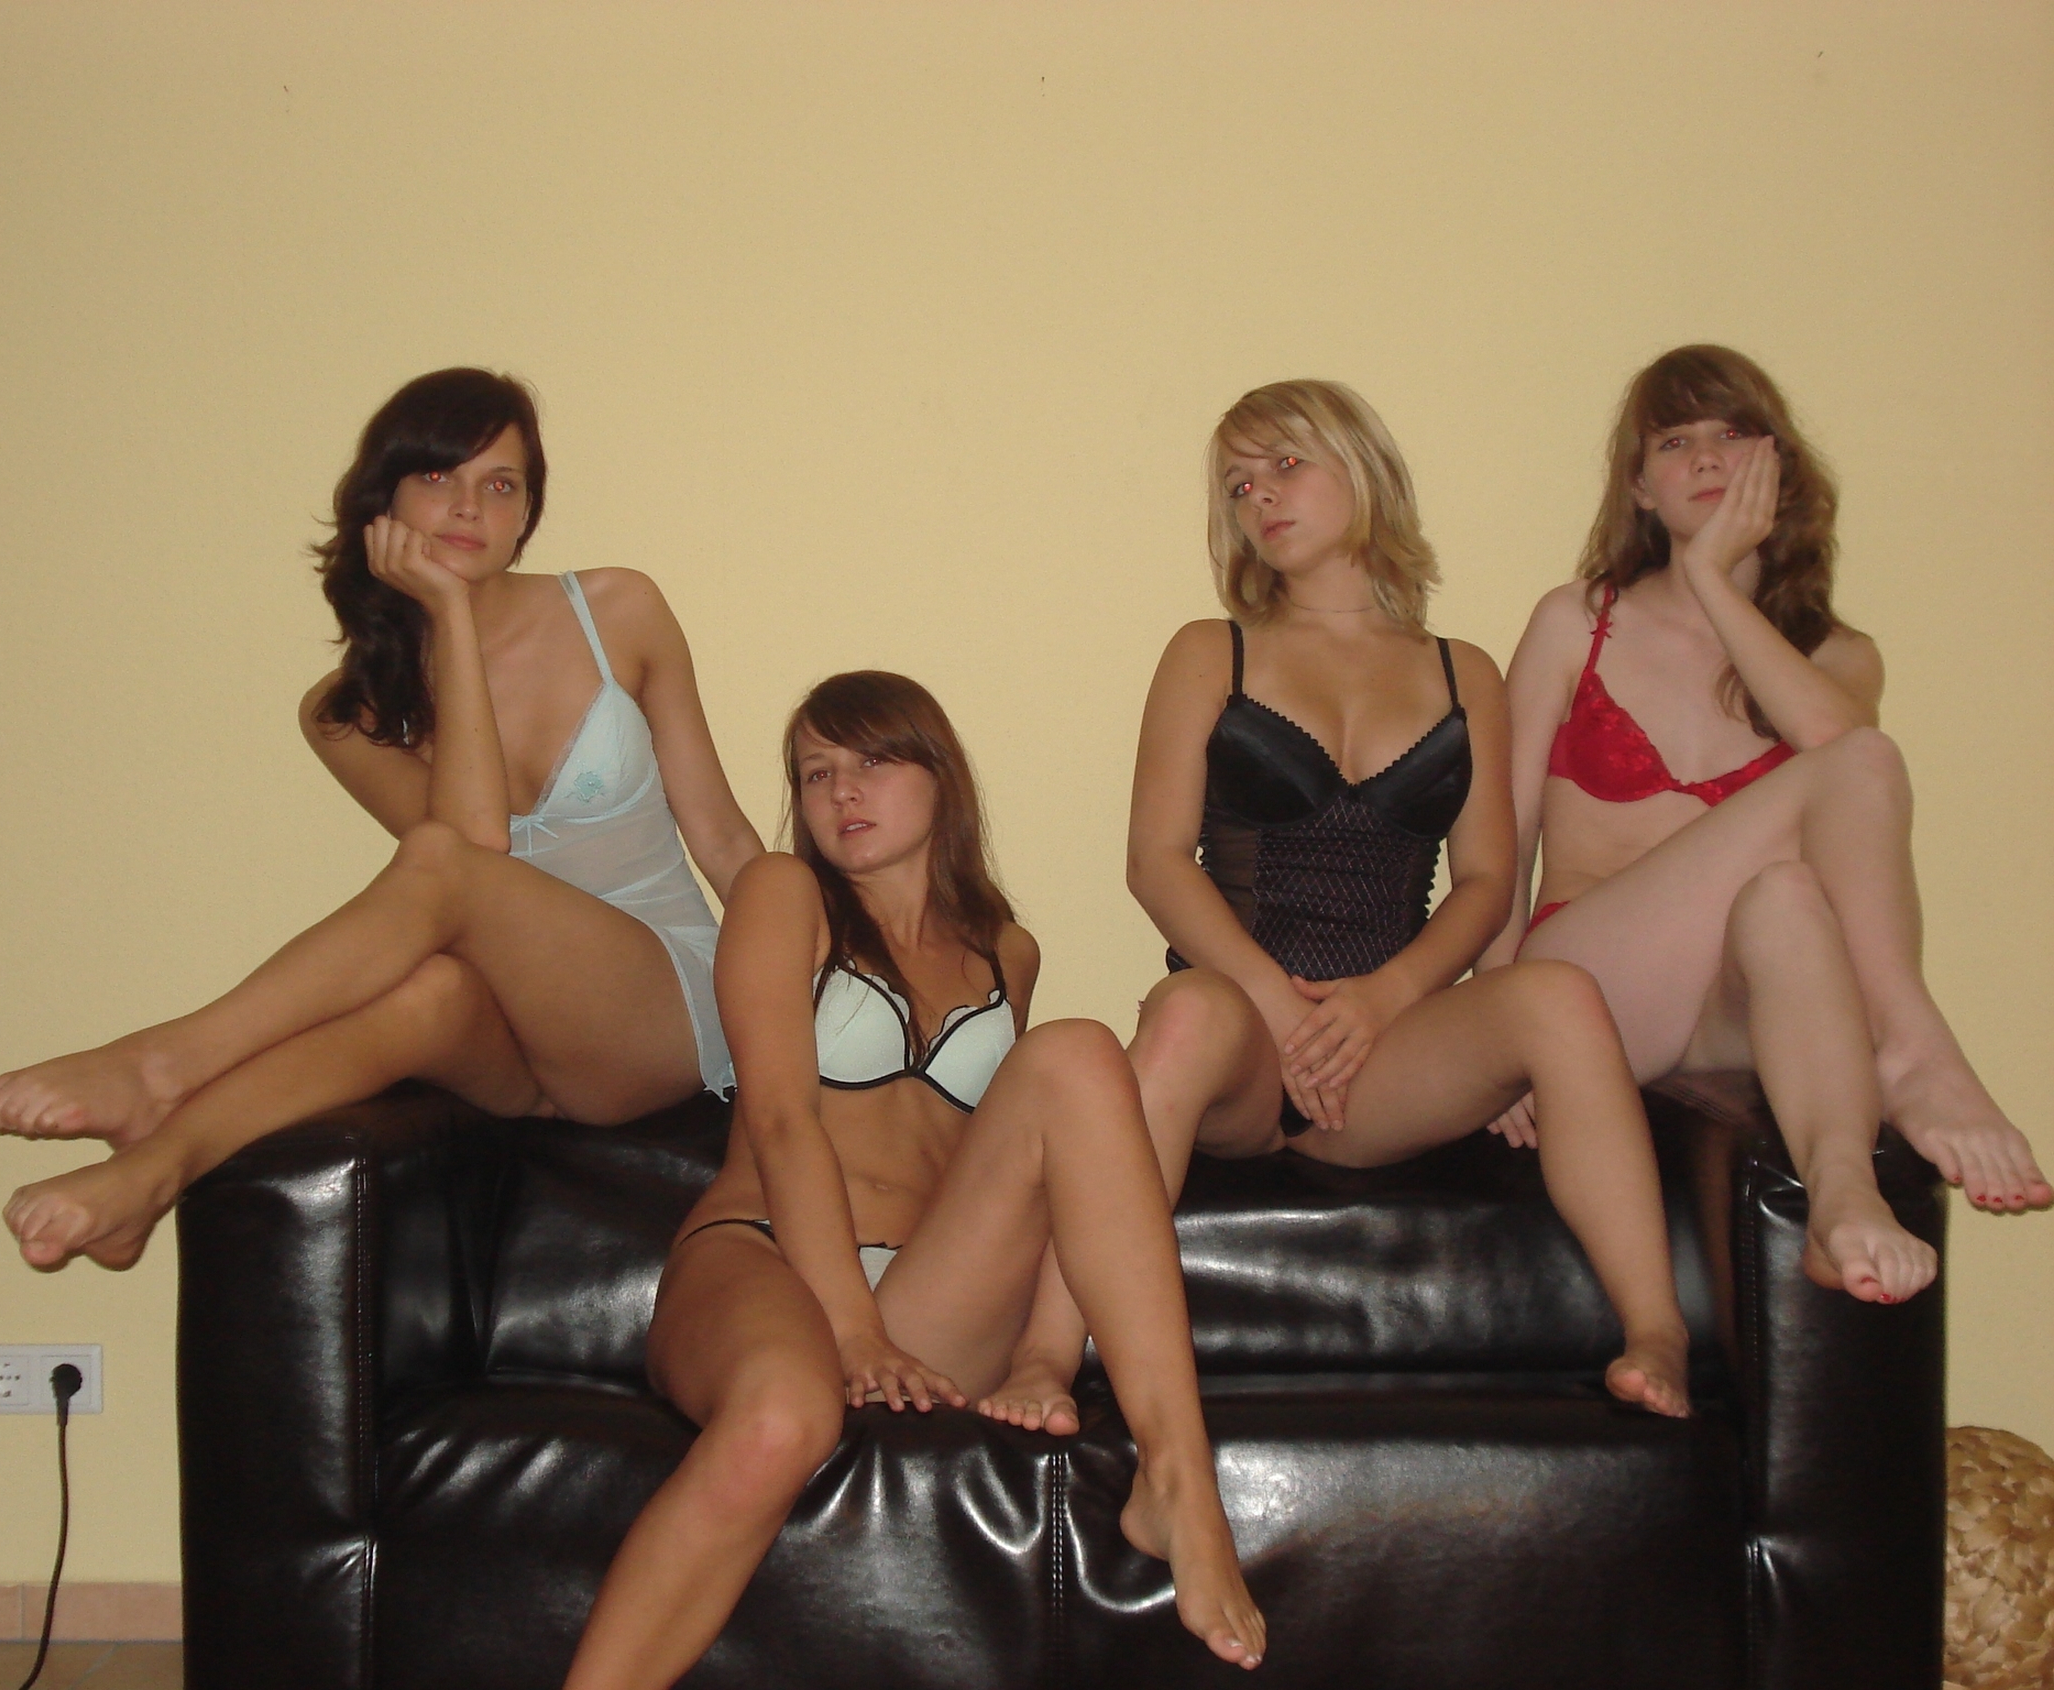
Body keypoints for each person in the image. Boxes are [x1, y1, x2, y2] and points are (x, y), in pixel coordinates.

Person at [976, 379, 1694, 1439]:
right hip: (1239, 1031)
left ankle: (1657, 1336)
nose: (1259, 497)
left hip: (1383, 1047)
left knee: (1560, 998)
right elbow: (1156, 862)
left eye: (1284, 465)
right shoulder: (1208, 651)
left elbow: (1486, 879)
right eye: (1237, 485)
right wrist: (1274, 1001)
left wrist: (1387, 999)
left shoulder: (1465, 673)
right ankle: (1044, 1353)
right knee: (1182, 1017)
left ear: (1361, 468)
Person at [0, 368, 763, 1269]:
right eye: (438, 477)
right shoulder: (343, 713)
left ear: (527, 515)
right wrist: (450, 626)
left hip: (660, 1006)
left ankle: (161, 1065)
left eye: (501, 485)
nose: (469, 507)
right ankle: (150, 1175)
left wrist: (826, 982)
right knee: (424, 994)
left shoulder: (617, 610)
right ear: (384, 500)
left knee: (437, 863)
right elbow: (474, 846)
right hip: (522, 1053)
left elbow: (711, 838)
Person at [557, 672, 1266, 1688]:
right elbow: (781, 1119)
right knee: (782, 1418)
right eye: (815, 773)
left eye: (873, 761)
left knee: (1074, 1052)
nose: (841, 790)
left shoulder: (1008, 952)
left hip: (926, 1299)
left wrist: (1017, 1346)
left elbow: (1016, 1165)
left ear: (943, 778)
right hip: (765, 1258)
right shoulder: (783, 894)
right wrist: (850, 1330)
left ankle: (1181, 1483)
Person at [1482, 344, 2048, 1304]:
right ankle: (1909, 1049)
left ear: (1779, 467)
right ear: (1640, 489)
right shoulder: (1576, 621)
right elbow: (1505, 832)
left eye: (1734, 433)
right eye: (1674, 441)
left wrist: (1713, 580)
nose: (1707, 456)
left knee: (1787, 896)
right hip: (1592, 989)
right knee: (1858, 763)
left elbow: (1837, 746)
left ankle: (1842, 1195)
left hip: (1731, 1009)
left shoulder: (1837, 656)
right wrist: (1493, 1032)